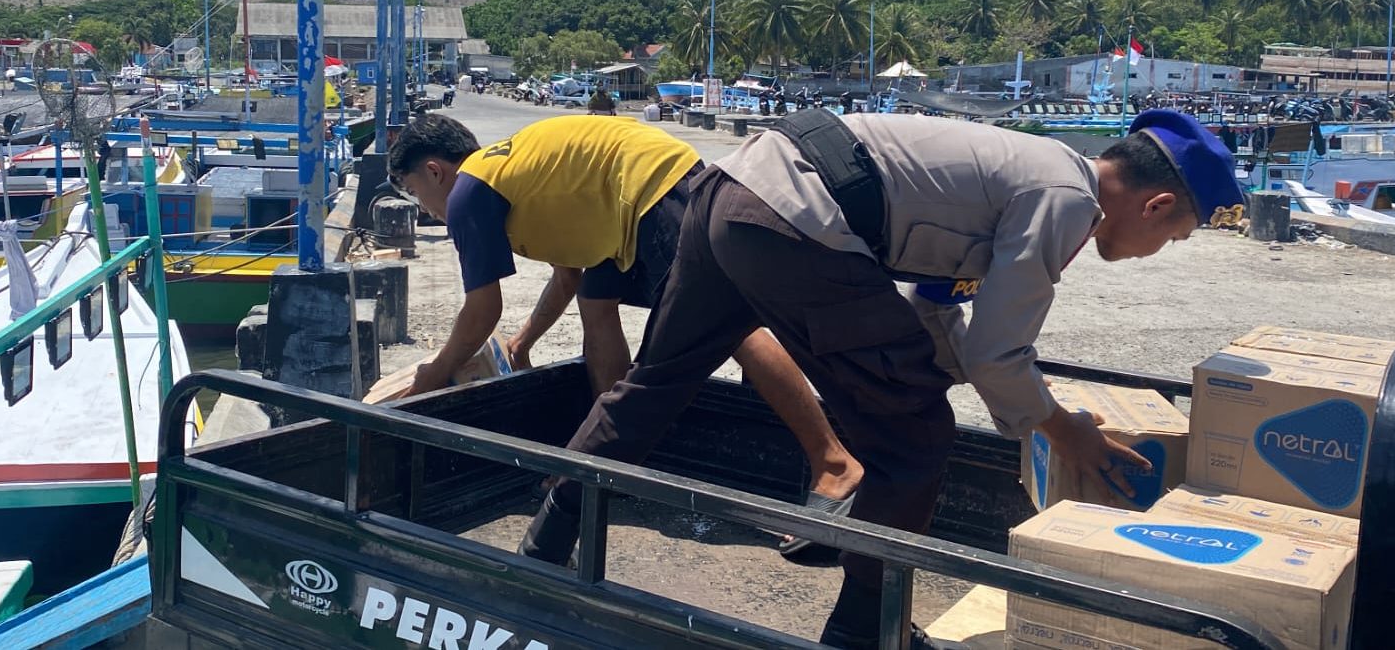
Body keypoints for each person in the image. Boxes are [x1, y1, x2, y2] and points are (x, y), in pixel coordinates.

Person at [520, 109, 1242, 649]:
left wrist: (926, 374)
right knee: (919, 439)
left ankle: (543, 546)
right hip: (791, 219)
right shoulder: (1066, 199)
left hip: (729, 196)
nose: (1154, 253)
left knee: (656, 382)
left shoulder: (1037, 167)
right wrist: (1061, 429)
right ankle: (864, 630)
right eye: (1170, 238)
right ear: (1156, 205)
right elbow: (998, 352)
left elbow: (938, 306)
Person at [389, 115, 864, 545]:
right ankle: (609, 463)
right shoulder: (510, 178)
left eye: (415, 193)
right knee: (597, 306)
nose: (425, 209)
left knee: (728, 327)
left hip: (648, 188)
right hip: (623, 201)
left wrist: (433, 374)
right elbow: (568, 276)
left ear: (436, 170)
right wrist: (523, 342)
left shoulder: (470, 191)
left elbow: (481, 309)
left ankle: (834, 464)